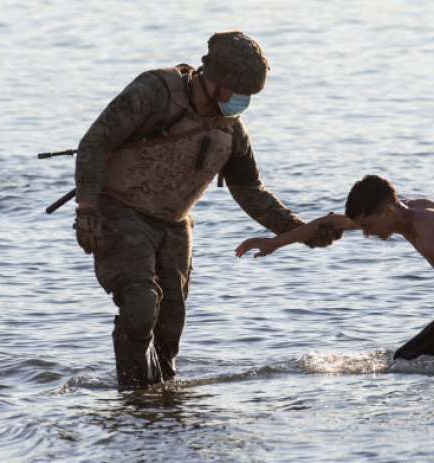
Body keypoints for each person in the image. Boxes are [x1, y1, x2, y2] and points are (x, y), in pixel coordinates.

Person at [73, 31, 343, 388]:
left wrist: (299, 231)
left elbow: (251, 193)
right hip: (121, 211)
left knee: (169, 329)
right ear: (215, 81)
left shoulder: (231, 132)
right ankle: (136, 396)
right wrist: (87, 210)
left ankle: (161, 401)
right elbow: (95, 142)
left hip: (174, 227)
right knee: (141, 306)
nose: (241, 102)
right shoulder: (154, 92)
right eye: (238, 93)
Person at [235, 174, 434, 359]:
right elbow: (328, 222)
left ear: (386, 211)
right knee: (406, 359)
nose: (365, 233)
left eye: (367, 225)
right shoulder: (404, 211)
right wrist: (275, 243)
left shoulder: (432, 236)